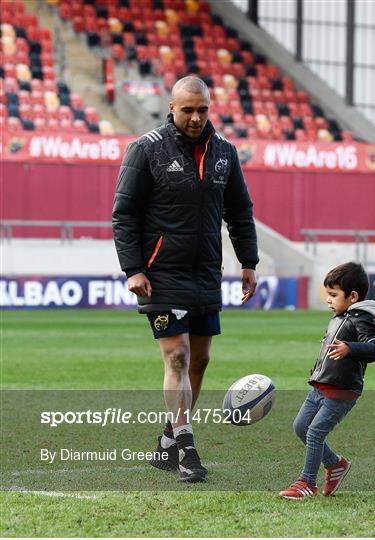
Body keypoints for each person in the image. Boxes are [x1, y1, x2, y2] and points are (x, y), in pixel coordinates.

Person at [112, 76, 259, 483]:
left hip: (205, 274)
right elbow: (124, 214)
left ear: (209, 109)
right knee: (177, 356)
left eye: (202, 110)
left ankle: (166, 440)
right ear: (172, 109)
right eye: (187, 110)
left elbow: (240, 211)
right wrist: (134, 268)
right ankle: (187, 448)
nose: (195, 118)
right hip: (161, 275)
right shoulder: (145, 150)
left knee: (201, 361)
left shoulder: (225, 154)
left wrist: (248, 260)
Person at [279, 262, 375, 499]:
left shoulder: (363, 318)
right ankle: (335, 465)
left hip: (342, 390)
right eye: (328, 294)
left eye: (333, 295)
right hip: (321, 385)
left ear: (353, 296)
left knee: (315, 433)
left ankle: (306, 482)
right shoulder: (341, 315)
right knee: (301, 428)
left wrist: (350, 348)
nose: (328, 299)